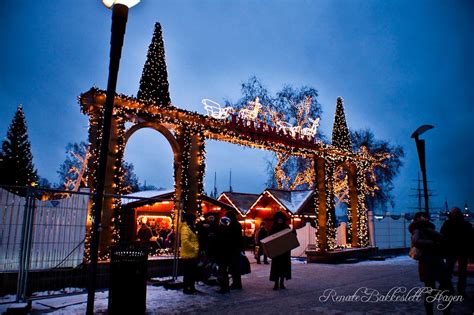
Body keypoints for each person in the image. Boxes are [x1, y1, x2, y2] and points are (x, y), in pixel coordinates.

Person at [409, 211, 453, 315]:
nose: (425, 218)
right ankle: (434, 311)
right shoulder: (417, 229)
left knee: (439, 287)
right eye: (422, 217)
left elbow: (441, 239)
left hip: (435, 260)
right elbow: (416, 241)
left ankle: (443, 310)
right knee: (432, 288)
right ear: (418, 219)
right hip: (428, 262)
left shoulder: (428, 228)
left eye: (425, 216)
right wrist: (432, 244)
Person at [440, 207, 472, 297]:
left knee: (448, 271)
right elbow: (470, 238)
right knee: (462, 272)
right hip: (462, 251)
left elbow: (442, 236)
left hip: (451, 250)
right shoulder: (466, 224)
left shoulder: (447, 223)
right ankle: (461, 290)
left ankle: (449, 289)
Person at [216, 211, 243, 293]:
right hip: (235, 249)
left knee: (230, 268)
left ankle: (234, 284)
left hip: (231, 250)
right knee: (235, 268)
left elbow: (230, 238)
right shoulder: (237, 224)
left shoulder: (231, 225)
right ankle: (237, 283)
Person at [269, 212, 293, 290]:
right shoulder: (273, 227)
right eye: (278, 219)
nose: (280, 220)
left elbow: (291, 237)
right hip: (276, 252)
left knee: (283, 268)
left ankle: (281, 283)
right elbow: (269, 238)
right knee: (276, 268)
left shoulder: (286, 227)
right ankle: (276, 284)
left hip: (284, 252)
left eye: (281, 219)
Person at [179, 212, 200, 295]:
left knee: (192, 273)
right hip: (188, 254)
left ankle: (191, 287)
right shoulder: (185, 228)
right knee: (188, 273)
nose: (195, 221)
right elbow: (185, 241)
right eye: (194, 220)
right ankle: (187, 288)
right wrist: (194, 248)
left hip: (192, 254)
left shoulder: (191, 227)